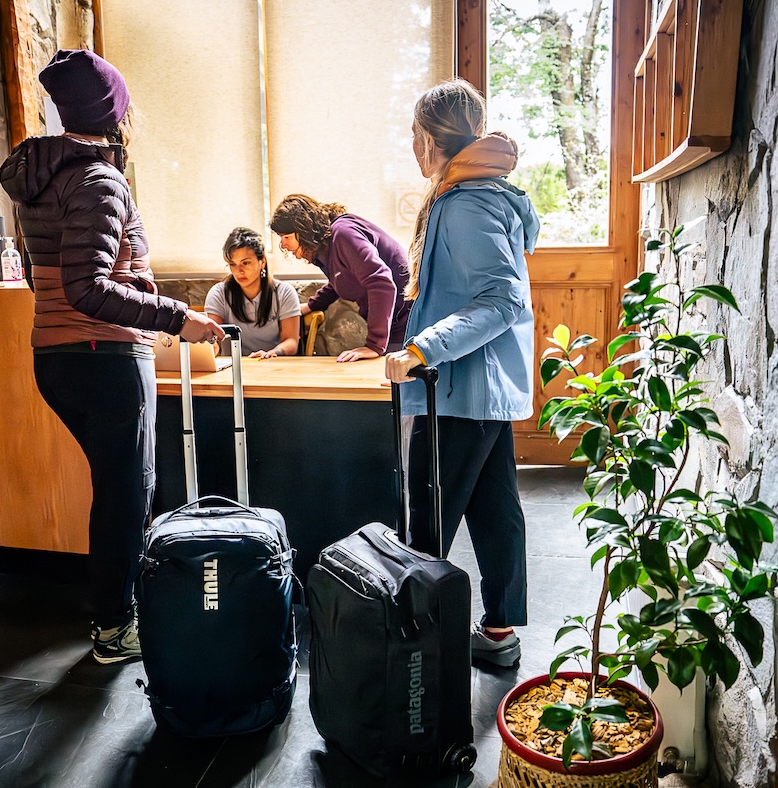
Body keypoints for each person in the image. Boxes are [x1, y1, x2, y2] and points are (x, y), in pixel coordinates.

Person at [0, 49, 225, 665]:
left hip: (57, 358)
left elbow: (49, 279)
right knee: (128, 493)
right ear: (112, 113)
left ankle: (116, 612)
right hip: (106, 358)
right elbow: (88, 288)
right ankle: (114, 628)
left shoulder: (39, 174)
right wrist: (182, 318)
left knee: (115, 491)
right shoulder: (98, 180)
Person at [384, 79, 540, 669]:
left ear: (428, 138)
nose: (412, 147)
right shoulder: (481, 193)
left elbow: (503, 300)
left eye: (413, 136)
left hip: (454, 387)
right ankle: (498, 635)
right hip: (482, 387)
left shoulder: (468, 202)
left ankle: (415, 651)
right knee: (496, 511)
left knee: (427, 520)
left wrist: (422, 348)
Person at [269, 195, 411, 361]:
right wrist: (311, 305)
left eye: (286, 237)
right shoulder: (326, 247)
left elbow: (381, 282)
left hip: (407, 320)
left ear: (304, 230)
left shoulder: (344, 234)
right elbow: (341, 279)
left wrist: (374, 345)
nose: (283, 245)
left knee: (394, 381)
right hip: (395, 323)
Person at [204, 227, 301, 358]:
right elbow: (212, 338)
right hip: (233, 369)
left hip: (274, 366)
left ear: (262, 262)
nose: (239, 271)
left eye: (246, 263)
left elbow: (291, 342)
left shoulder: (284, 293)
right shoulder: (219, 293)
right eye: (233, 264)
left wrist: (271, 353)